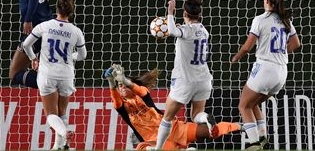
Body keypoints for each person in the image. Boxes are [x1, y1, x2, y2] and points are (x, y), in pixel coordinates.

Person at [102, 64, 241, 150]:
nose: (122, 87)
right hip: (152, 141)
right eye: (120, 86)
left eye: (125, 84)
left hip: (174, 129)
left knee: (210, 132)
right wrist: (111, 82)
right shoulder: (123, 107)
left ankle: (240, 126)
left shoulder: (142, 94)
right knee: (142, 148)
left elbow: (138, 89)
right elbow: (115, 99)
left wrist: (124, 80)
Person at [231, 0, 301, 150]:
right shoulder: (286, 20)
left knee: (243, 105)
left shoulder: (260, 19)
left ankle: (255, 143)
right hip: (281, 72)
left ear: (267, 1)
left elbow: (248, 46)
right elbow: (296, 44)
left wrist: (236, 57)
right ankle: (263, 138)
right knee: (253, 104)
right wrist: (281, 51)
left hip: (265, 69)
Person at [22, 0, 87, 149]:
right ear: (71, 11)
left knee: (51, 114)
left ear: (56, 8)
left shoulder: (44, 26)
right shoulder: (76, 31)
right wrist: (71, 56)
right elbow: (83, 55)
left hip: (47, 74)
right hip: (66, 75)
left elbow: (26, 45)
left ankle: (64, 133)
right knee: (62, 112)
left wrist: (33, 58)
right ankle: (59, 146)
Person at [152, 0, 215, 150]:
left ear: (185, 14)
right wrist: (178, 27)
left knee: (167, 117)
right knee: (196, 116)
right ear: (199, 14)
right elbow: (181, 33)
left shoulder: (185, 30)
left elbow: (174, 31)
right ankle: (206, 117)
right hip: (204, 81)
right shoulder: (204, 31)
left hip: (185, 81)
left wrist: (170, 12)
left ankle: (157, 149)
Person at [10, 0, 78, 89]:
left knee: (15, 73)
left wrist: (27, 20)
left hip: (35, 31)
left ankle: (52, 83)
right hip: (49, 28)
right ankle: (54, 82)